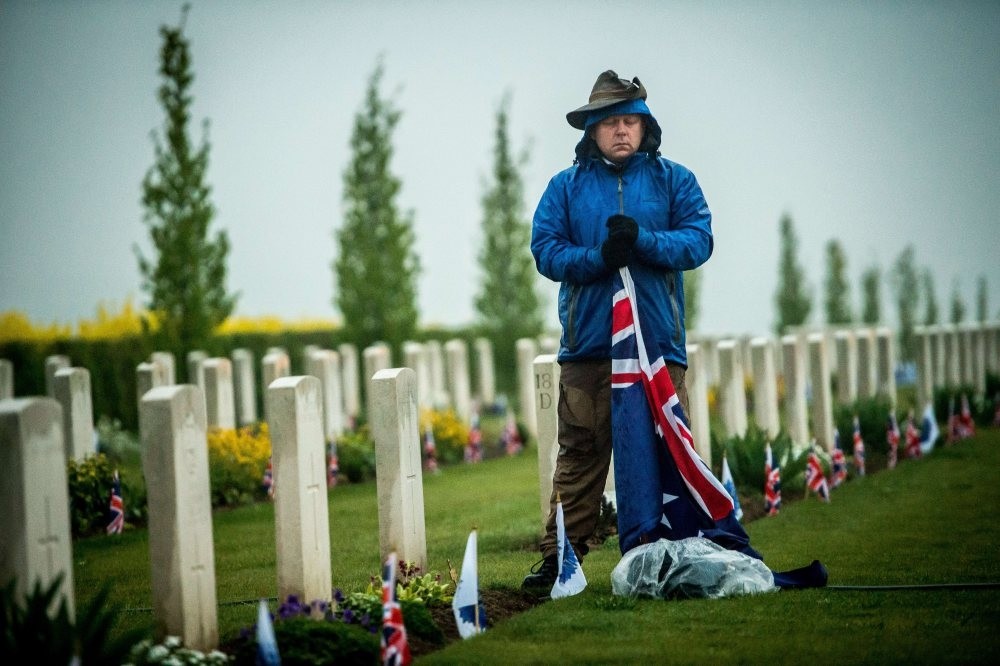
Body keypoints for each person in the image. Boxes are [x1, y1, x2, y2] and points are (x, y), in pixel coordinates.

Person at [522, 70, 714, 592]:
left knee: (665, 449)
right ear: (592, 130)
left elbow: (698, 242)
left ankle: (676, 553)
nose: (622, 130)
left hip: (657, 348)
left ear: (645, 127)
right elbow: (546, 249)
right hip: (589, 346)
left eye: (630, 121)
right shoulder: (564, 187)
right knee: (581, 455)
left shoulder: (676, 180)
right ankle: (561, 558)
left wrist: (644, 242)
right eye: (611, 123)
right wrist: (599, 257)